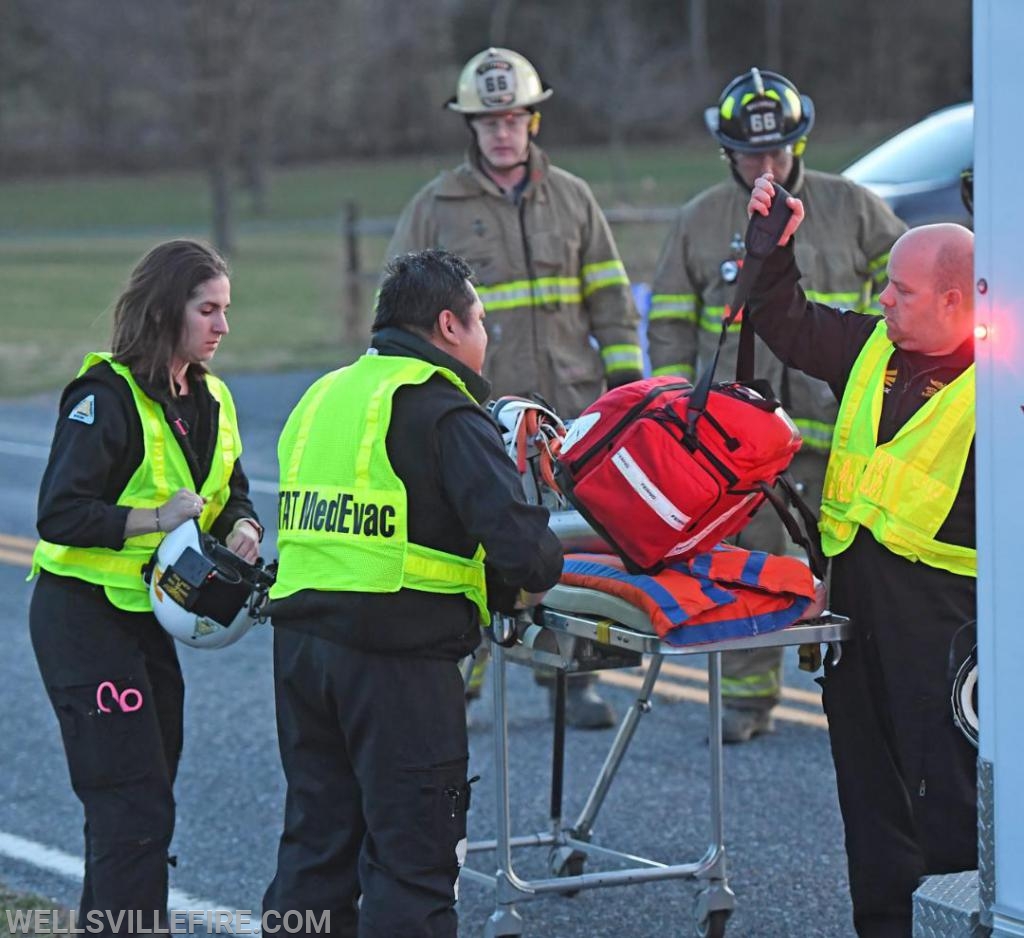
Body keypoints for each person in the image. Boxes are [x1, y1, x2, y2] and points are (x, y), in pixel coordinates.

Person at [262, 249, 563, 936]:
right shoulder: (445, 411)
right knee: (413, 865)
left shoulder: (323, 396)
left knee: (315, 850)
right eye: (482, 320)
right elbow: (526, 556)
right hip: (398, 664)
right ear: (449, 325)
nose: (486, 336)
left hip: (304, 655)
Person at [385, 46, 643, 729]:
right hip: (474, 418)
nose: (502, 130)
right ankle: (460, 678)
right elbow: (397, 319)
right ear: (470, 125)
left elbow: (611, 300)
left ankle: (572, 682)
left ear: (533, 121)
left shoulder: (574, 199)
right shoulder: (433, 207)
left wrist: (626, 390)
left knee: (569, 545)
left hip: (568, 413)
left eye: (514, 118)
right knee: (468, 543)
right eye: (488, 119)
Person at [747, 174, 977, 938]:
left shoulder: (998, 390)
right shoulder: (873, 349)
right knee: (871, 808)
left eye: (901, 292)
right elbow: (784, 321)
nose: (883, 300)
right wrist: (771, 249)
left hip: (946, 639)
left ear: (956, 302)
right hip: (857, 627)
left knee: (948, 814)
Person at [648, 67, 907, 743]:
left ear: (801, 144)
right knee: (749, 565)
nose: (768, 164)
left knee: (856, 574)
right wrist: (683, 416)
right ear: (726, 152)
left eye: (780, 150)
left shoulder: (851, 206)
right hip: (739, 447)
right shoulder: (699, 221)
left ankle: (867, 696)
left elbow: (904, 288)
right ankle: (746, 700)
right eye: (753, 153)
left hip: (841, 436)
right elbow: (671, 323)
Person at [29, 240, 262, 928]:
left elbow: (233, 493)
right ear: (167, 311)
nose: (223, 326)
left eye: (226, 310)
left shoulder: (213, 397)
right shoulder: (105, 396)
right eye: (208, 309)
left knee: (140, 797)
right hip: (82, 619)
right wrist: (153, 518)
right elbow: (59, 512)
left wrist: (243, 525)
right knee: (132, 804)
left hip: (145, 621)